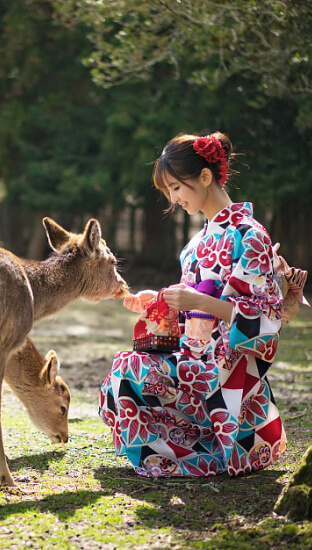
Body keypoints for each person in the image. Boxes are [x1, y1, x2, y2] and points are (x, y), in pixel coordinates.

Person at [100, 131, 287, 477]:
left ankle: (215, 451)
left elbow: (266, 318)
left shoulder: (250, 234)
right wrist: (158, 301)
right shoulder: (196, 243)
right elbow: (189, 308)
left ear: (204, 177)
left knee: (129, 371)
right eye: (168, 191)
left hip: (227, 370)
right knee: (124, 370)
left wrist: (198, 300)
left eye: (176, 187)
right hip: (190, 357)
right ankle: (175, 451)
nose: (173, 198)